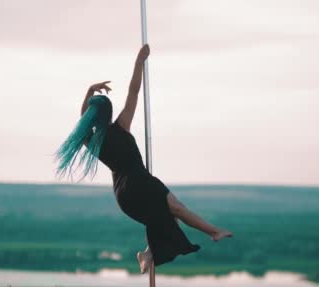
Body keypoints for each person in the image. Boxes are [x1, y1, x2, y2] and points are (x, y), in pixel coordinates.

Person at [56, 44, 232, 273]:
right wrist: (139, 61)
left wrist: (90, 90)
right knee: (176, 209)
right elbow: (133, 92)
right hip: (139, 183)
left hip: (124, 194)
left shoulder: (90, 141)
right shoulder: (120, 127)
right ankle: (213, 231)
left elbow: (84, 116)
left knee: (169, 214)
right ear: (107, 114)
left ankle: (148, 254)